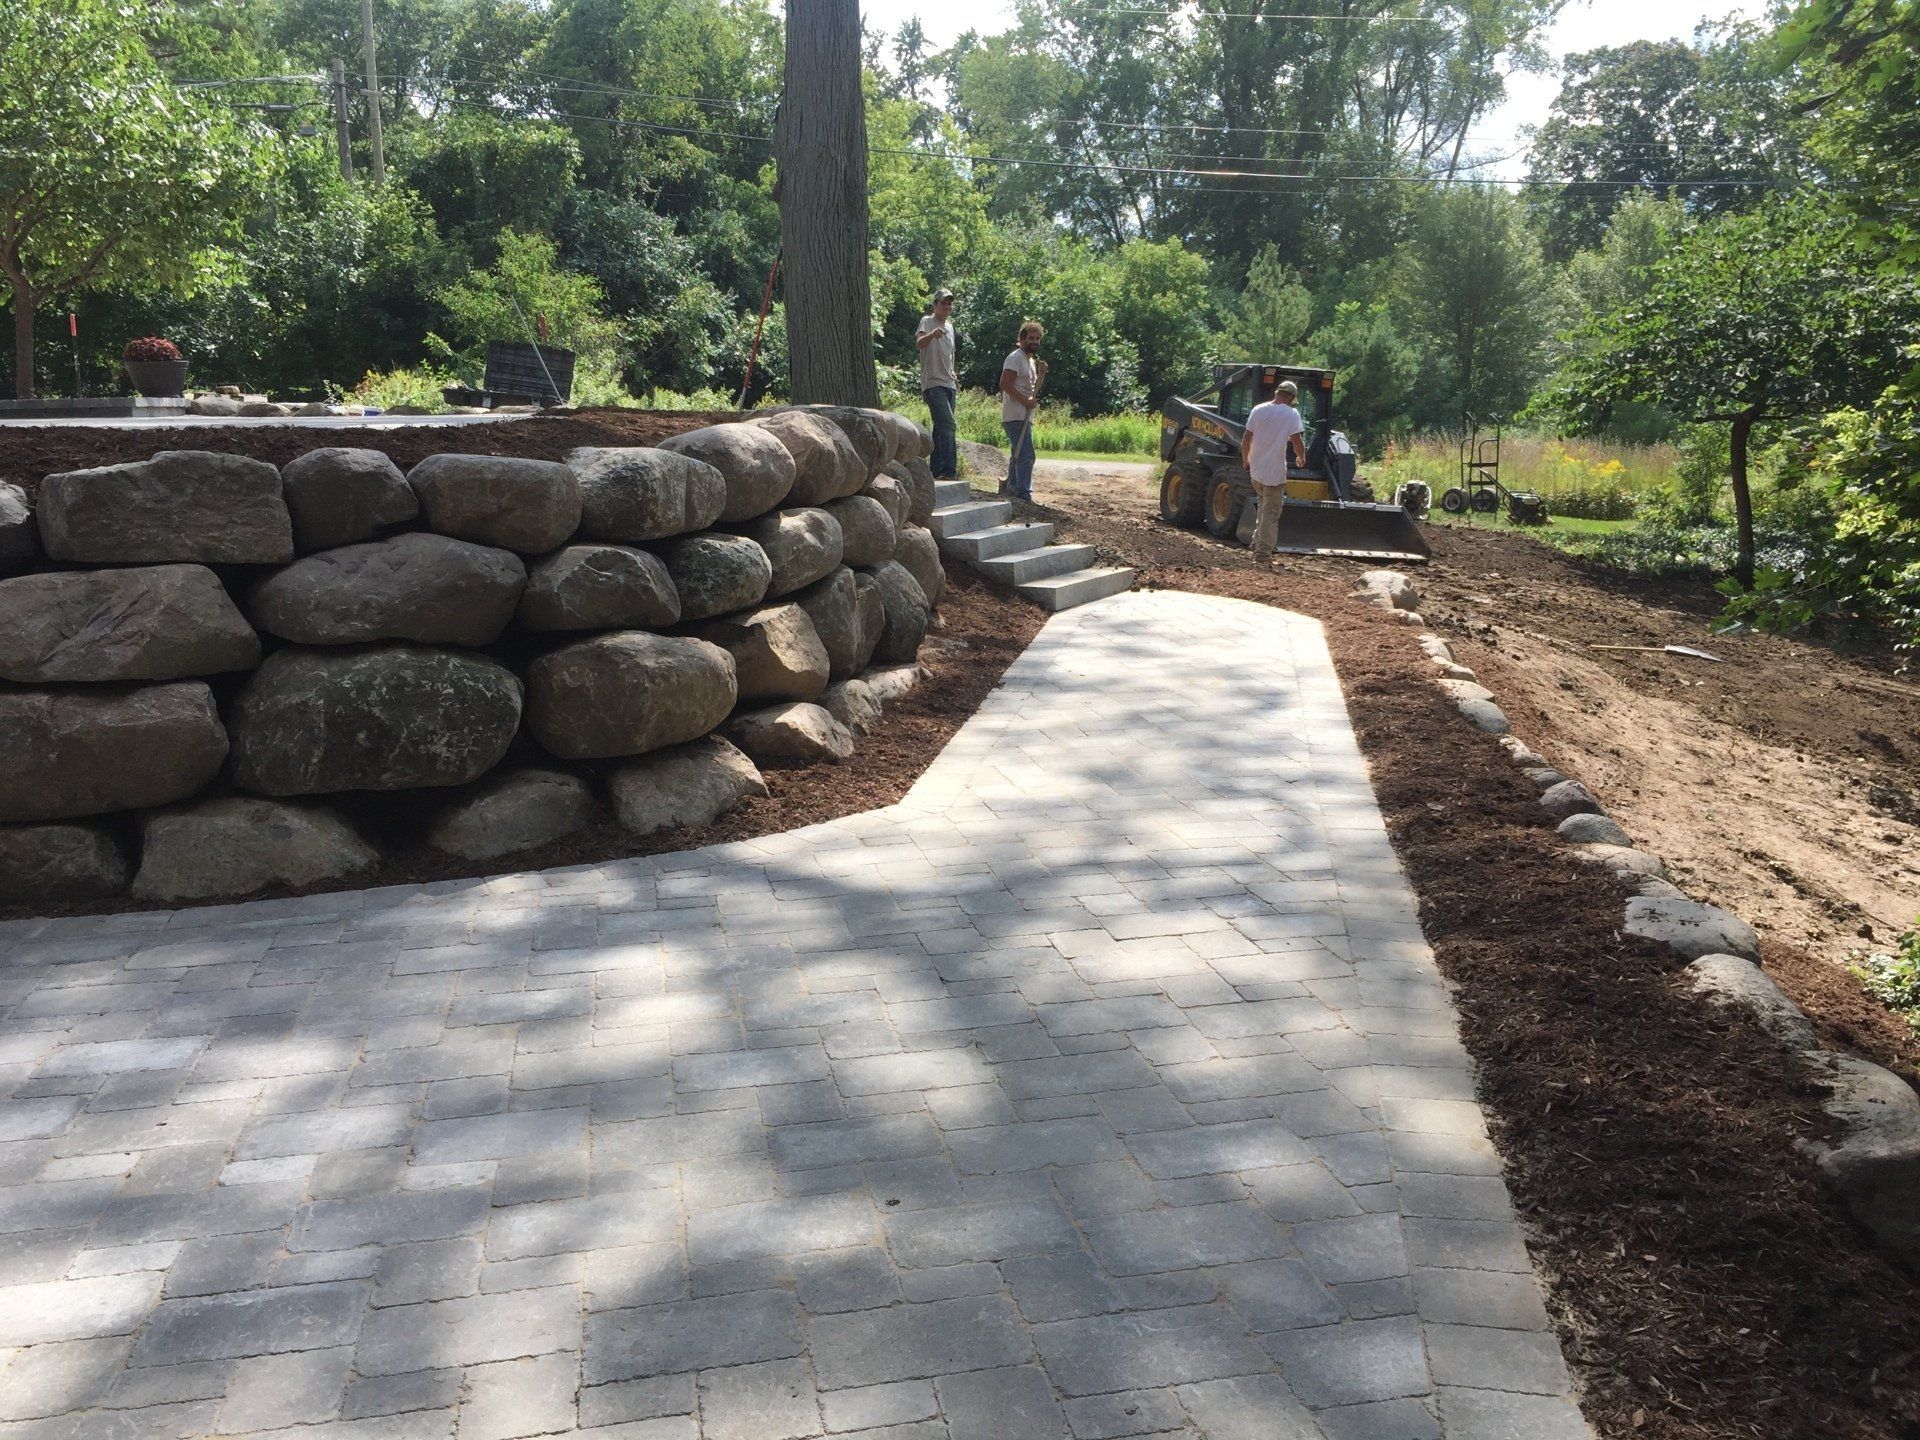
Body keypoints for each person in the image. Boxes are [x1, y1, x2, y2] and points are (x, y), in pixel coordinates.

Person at [1241, 378, 1307, 561]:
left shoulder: (1258, 410)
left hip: (1256, 471)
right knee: (1271, 513)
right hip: (1274, 474)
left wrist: (1246, 460)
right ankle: (1263, 553)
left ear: (1277, 392)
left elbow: (1246, 438)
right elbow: (1297, 441)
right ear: (1291, 397)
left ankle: (1256, 542)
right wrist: (1301, 457)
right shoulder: (1292, 414)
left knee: (1263, 507)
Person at [915, 288, 958, 480]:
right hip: (933, 384)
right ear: (935, 304)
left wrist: (953, 374)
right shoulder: (927, 321)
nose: (947, 306)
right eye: (943, 303)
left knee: (941, 428)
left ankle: (934, 472)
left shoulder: (950, 327)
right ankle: (949, 471)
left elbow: (950, 354)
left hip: (950, 384)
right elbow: (919, 344)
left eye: (949, 303)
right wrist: (931, 335)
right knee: (949, 425)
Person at [999, 320, 1044, 501]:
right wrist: (1025, 401)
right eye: (1031, 338)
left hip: (1025, 415)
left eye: (1037, 338)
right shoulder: (1015, 358)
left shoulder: (1030, 361)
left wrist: (1042, 373)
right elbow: (1005, 383)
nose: (1034, 341)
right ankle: (1023, 493)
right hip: (1014, 415)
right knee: (1026, 454)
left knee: (1018, 452)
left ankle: (1012, 488)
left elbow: (1030, 387)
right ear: (1022, 338)